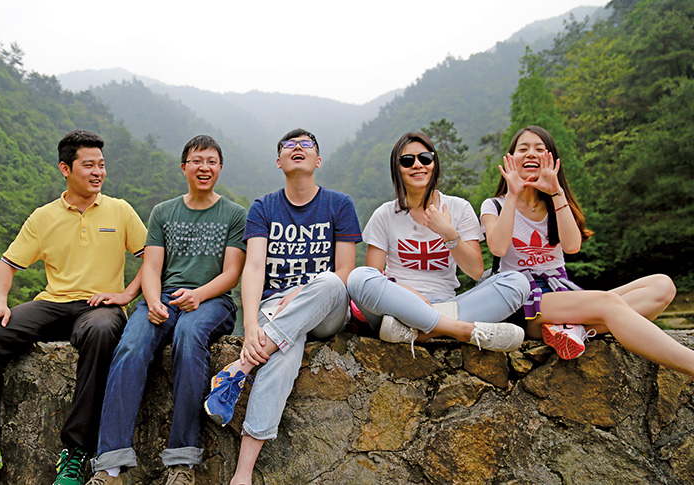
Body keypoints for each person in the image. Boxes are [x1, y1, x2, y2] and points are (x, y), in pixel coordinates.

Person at [0, 130, 148, 484]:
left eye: (101, 165)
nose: (98, 172)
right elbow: (7, 265)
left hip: (99, 307)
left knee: (102, 333)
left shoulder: (120, 210)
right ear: (65, 168)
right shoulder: (43, 217)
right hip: (52, 303)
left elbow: (152, 259)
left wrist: (126, 294)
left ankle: (76, 452)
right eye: (88, 165)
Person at [202, 129, 362, 485]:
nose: (297, 148)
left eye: (306, 145)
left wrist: (303, 290)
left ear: (318, 160)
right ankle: (243, 475)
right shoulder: (264, 208)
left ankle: (241, 367)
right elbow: (254, 268)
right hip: (275, 307)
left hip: (325, 304)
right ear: (279, 161)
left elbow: (345, 271)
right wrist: (251, 325)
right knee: (282, 357)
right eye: (289, 145)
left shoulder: (339, 204)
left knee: (329, 281)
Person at [85, 135, 247, 485]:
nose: (204, 168)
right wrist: (154, 300)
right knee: (130, 346)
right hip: (163, 297)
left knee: (189, 336)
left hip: (212, 300)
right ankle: (110, 466)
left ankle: (182, 462)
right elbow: (152, 266)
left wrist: (198, 295)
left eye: (211, 162)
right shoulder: (163, 211)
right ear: (184, 167)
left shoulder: (234, 214)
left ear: (220, 168)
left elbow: (231, 273)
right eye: (197, 161)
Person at [480, 125, 694, 375]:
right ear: (510, 159)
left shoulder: (556, 201)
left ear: (552, 160)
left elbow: (572, 246)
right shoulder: (495, 205)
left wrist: (556, 192)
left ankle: (574, 329)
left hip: (562, 293)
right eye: (523, 149)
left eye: (540, 149)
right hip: (523, 301)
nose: (531, 154)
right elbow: (498, 247)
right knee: (609, 304)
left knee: (662, 285)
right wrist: (513, 194)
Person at [347, 132, 530, 353]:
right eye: (407, 161)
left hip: (449, 305)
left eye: (425, 158)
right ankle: (461, 330)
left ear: (434, 164)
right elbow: (374, 274)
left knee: (517, 282)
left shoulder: (459, 208)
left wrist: (448, 233)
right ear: (397, 168)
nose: (417, 165)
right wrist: (409, 295)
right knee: (359, 278)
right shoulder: (384, 214)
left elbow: (475, 271)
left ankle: (420, 332)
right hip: (398, 307)